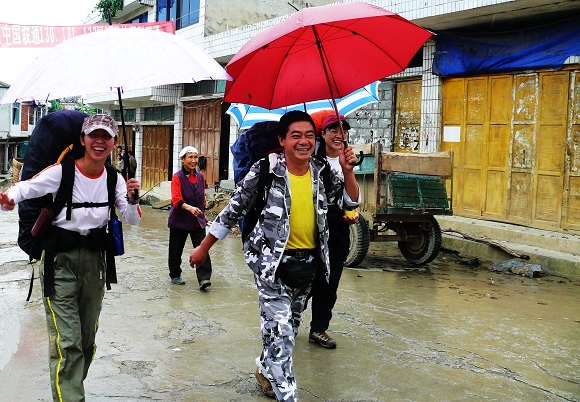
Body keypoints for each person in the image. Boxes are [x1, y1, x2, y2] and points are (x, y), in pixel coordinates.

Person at [189, 111, 360, 401]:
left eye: (308, 135)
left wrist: (347, 170)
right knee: (282, 339)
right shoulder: (266, 168)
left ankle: (263, 368)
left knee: (287, 332)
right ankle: (288, 395)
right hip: (271, 267)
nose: (303, 141)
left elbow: (350, 201)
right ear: (282, 140)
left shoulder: (320, 170)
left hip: (307, 267)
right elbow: (234, 208)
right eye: (295, 135)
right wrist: (204, 247)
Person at [0, 114, 142, 402]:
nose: (99, 141)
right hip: (59, 264)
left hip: (94, 264)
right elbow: (28, 186)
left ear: (114, 142)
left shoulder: (114, 178)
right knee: (68, 343)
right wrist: (10, 197)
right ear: (82, 140)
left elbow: (132, 219)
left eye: (106, 136)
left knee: (86, 342)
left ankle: (70, 386)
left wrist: (133, 197)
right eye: (94, 136)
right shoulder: (62, 172)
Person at [308, 113, 360, 349]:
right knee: (304, 278)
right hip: (311, 227)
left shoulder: (346, 161)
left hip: (338, 228)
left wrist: (348, 170)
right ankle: (285, 323)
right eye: (333, 130)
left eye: (343, 130)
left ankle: (318, 328)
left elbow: (352, 200)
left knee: (330, 283)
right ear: (323, 134)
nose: (340, 135)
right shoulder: (310, 160)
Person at [168, 146, 212, 289]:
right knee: (176, 249)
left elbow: (201, 199)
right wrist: (189, 208)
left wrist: (203, 215)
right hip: (179, 219)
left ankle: (204, 278)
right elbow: (176, 200)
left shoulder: (199, 176)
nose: (194, 160)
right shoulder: (177, 177)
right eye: (190, 157)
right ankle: (175, 274)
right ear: (182, 160)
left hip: (197, 220)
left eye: (195, 157)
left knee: (202, 247)